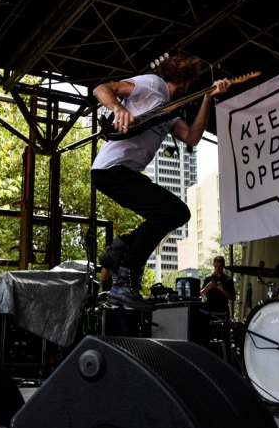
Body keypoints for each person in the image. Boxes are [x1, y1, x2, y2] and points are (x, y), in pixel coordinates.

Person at [91, 55, 230, 311]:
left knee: (174, 213)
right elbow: (102, 89)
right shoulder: (152, 85)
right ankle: (124, 282)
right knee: (172, 211)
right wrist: (119, 108)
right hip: (111, 169)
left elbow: (192, 137)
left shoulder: (169, 110)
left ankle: (120, 249)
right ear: (184, 80)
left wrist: (208, 99)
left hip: (123, 173)